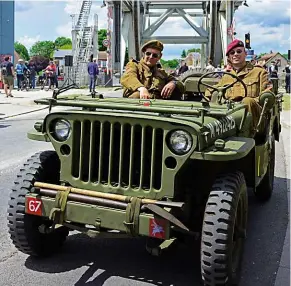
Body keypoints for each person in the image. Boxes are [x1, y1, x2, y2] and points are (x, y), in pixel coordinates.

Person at [205, 39, 269, 136]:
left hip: (254, 118)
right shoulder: (226, 76)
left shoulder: (259, 72)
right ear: (229, 58)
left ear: (245, 54)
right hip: (230, 116)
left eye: (239, 51)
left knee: (247, 101)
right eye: (232, 53)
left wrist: (248, 102)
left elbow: (266, 95)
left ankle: (246, 135)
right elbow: (213, 89)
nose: (235, 54)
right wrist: (206, 97)